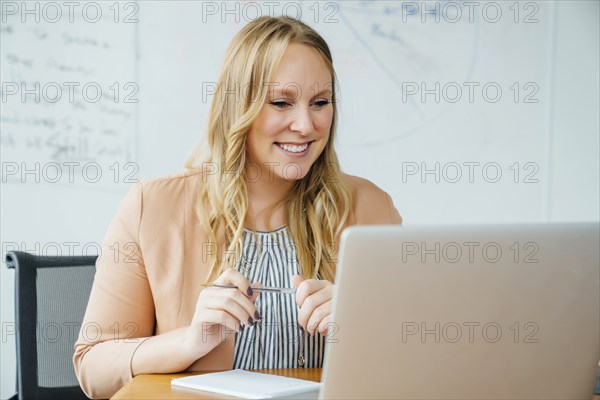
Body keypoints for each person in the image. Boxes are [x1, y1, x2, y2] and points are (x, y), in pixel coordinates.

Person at [73, 15, 402, 399]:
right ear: (237, 108)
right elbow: (93, 366)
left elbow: (420, 361)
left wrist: (362, 327)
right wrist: (188, 342)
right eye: (281, 102)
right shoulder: (152, 207)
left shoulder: (370, 208)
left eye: (320, 103)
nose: (306, 124)